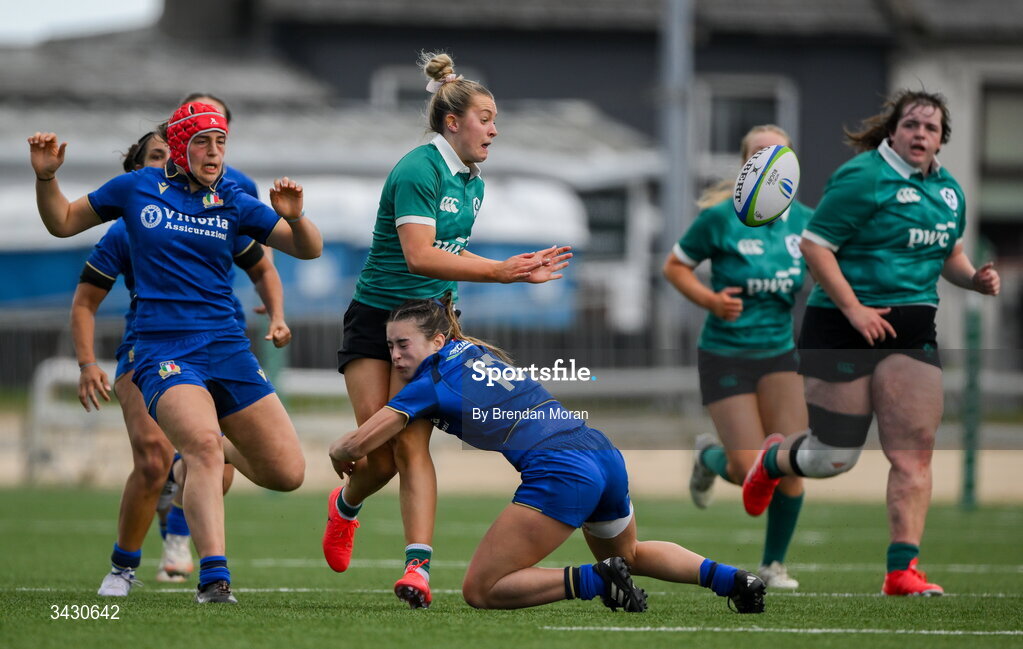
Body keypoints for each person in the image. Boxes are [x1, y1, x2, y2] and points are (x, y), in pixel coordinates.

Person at [30, 100, 322, 604]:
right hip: (162, 348)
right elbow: (62, 222)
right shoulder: (135, 189)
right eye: (203, 142)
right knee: (197, 448)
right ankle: (212, 579)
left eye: (222, 142)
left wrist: (296, 220)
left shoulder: (233, 197)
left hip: (227, 346)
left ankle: (202, 452)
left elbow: (307, 250)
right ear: (181, 145)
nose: (215, 153)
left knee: (287, 473)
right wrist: (46, 180)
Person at [328, 297, 767, 613]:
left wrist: (337, 452)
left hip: (562, 468)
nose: (396, 356)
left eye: (404, 344)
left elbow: (357, 444)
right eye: (389, 347)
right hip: (599, 450)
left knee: (482, 590)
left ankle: (596, 581)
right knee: (629, 554)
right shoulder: (475, 351)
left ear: (440, 340)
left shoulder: (430, 383)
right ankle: (735, 579)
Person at [323, 52, 571, 609]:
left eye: (496, 117)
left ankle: (418, 569)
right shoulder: (418, 169)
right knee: (379, 456)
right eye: (486, 117)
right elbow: (418, 255)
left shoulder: (473, 181)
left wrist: (480, 296)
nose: (495, 128)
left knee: (412, 445)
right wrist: (501, 271)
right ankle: (345, 506)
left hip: (429, 329)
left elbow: (448, 261)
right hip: (374, 321)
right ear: (452, 123)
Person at [741, 90, 1000, 596]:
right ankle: (775, 457)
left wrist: (974, 280)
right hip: (840, 327)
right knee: (833, 458)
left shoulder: (948, 191)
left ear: (942, 138)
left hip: (912, 330)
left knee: (913, 454)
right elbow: (815, 246)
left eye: (930, 127)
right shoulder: (861, 179)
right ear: (893, 131)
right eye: (911, 125)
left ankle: (901, 571)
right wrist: (855, 309)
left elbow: (952, 252)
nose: (920, 134)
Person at [73, 130, 291, 593]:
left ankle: (178, 534)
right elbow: (85, 300)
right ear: (141, 171)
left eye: (219, 142)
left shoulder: (218, 209)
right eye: (155, 159)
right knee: (158, 459)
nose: (165, 167)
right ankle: (129, 566)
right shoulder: (127, 222)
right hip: (150, 347)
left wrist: (275, 314)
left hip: (222, 345)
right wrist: (87, 362)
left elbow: (266, 264)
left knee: (230, 458)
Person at [663, 125, 812, 590]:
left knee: (791, 461)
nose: (769, 162)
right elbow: (674, 267)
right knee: (749, 470)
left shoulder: (807, 221)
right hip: (726, 353)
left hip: (779, 354)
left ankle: (773, 565)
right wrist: (710, 301)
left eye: (778, 154)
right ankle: (708, 458)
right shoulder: (719, 218)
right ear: (746, 167)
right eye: (759, 155)